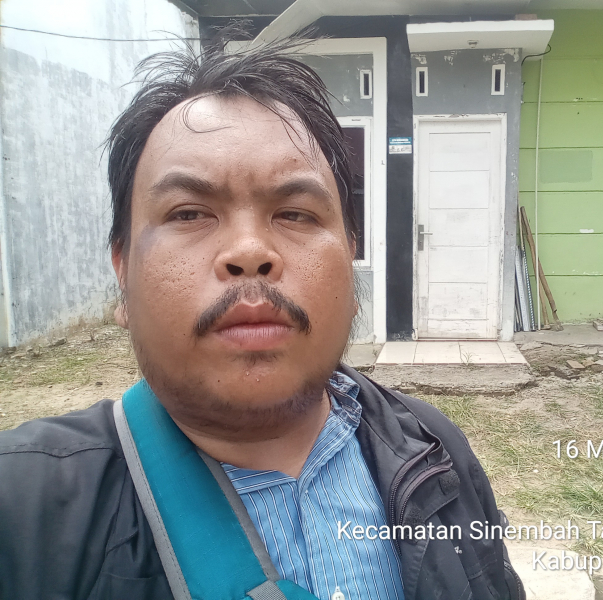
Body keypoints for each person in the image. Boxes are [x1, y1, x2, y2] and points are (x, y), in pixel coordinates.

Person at [0, 37, 524, 600]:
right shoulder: (25, 508)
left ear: (350, 257)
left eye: (295, 213)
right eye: (189, 213)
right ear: (122, 267)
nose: (250, 251)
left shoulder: (437, 450)